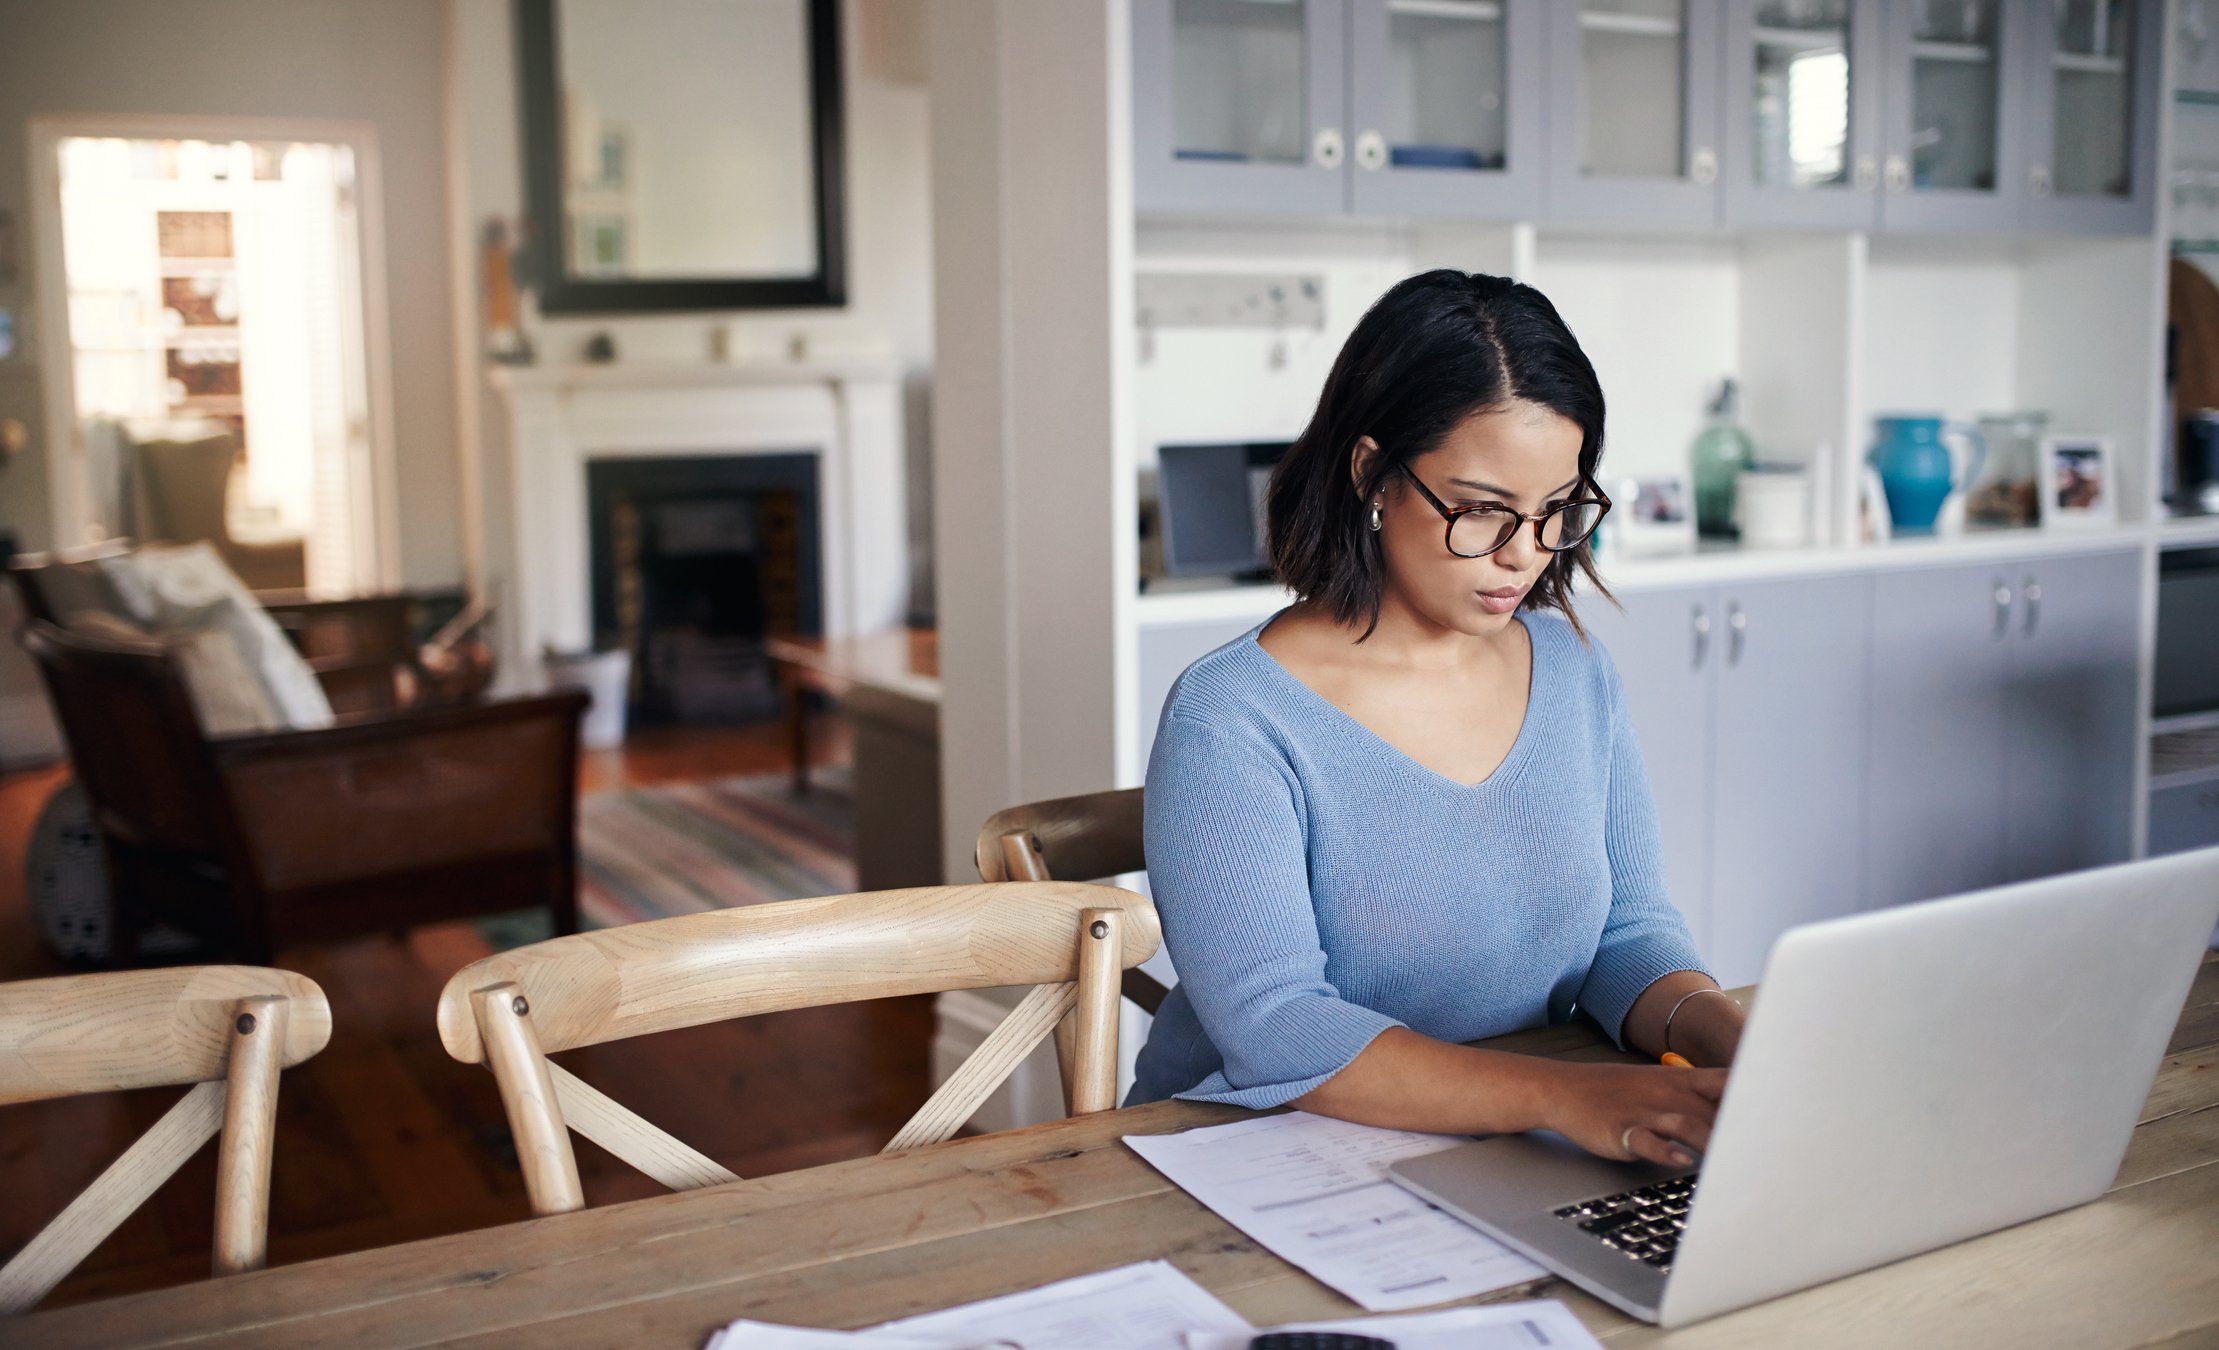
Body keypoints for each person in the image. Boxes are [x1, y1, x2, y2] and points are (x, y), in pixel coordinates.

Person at [1129, 270, 1745, 1170]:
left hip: (1506, 1144)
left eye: (1553, 513)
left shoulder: (1572, 671)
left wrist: (1730, 1039)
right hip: (1252, 1157)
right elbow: (1277, 1025)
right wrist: (1564, 1095)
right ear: (1371, 472)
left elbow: (1627, 934)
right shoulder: (1232, 715)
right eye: (1484, 510)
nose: (1524, 556)